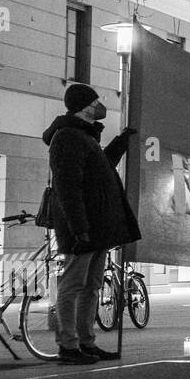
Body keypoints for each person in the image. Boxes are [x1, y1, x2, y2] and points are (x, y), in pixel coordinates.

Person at [43, 83, 142, 364]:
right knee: (73, 285)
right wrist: (79, 228)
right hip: (82, 227)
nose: (101, 106)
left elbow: (103, 167)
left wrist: (122, 141)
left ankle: (86, 342)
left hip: (98, 226)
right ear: (86, 106)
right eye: (96, 101)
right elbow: (67, 186)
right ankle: (68, 345)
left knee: (92, 286)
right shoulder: (67, 137)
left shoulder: (86, 136)